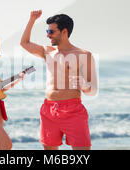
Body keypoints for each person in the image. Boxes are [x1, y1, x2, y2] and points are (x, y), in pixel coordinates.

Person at [20, 10, 98, 150]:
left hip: (73, 110)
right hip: (48, 110)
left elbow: (93, 90)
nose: (48, 35)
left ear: (64, 32)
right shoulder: (48, 52)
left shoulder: (83, 55)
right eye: (47, 31)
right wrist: (32, 20)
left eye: (51, 31)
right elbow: (24, 43)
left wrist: (84, 86)